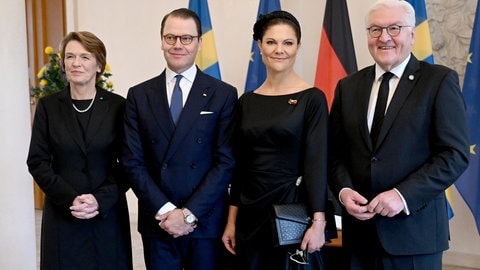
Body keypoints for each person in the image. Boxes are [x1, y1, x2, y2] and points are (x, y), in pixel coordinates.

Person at [328, 0, 470, 269]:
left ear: (412, 34)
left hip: (415, 236)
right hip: (359, 238)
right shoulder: (348, 86)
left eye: (394, 28)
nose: (384, 38)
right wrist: (344, 190)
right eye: (375, 30)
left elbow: (454, 155)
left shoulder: (439, 81)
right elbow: (336, 153)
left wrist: (402, 195)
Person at [122, 8, 238, 270]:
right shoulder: (139, 95)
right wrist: (166, 212)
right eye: (170, 37)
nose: (177, 45)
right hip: (158, 220)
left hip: (205, 219)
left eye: (186, 38)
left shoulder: (223, 94)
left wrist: (187, 214)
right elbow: (132, 161)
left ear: (199, 42)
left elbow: (226, 162)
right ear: (161, 40)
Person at [222, 10, 330, 270]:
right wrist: (231, 220)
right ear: (260, 46)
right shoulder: (246, 101)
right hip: (249, 214)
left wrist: (319, 223)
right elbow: (240, 168)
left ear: (298, 47)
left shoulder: (312, 98)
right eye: (271, 42)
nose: (279, 50)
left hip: (292, 212)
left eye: (287, 42)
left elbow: (317, 164)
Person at [27, 31, 132, 270]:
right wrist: (70, 199)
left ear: (98, 64)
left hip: (107, 214)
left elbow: (128, 162)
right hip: (64, 213)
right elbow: (37, 161)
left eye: (85, 57)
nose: (76, 63)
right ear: (63, 63)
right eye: (70, 56)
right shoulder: (48, 106)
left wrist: (98, 199)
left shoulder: (119, 106)